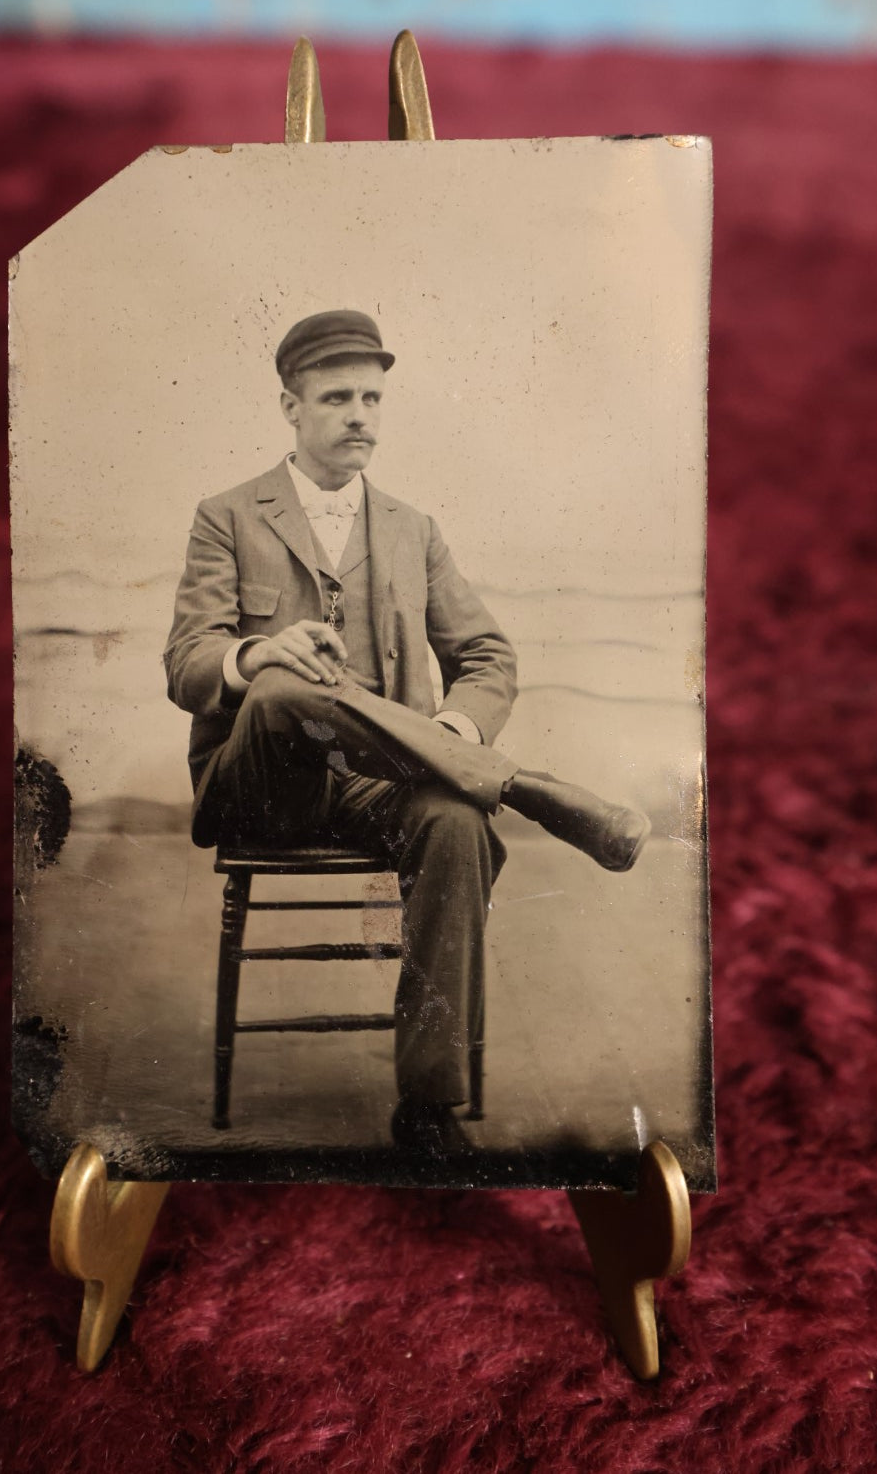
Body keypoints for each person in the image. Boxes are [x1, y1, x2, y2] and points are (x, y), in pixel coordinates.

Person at [165, 310, 650, 1156]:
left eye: (373, 398)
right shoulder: (227, 516)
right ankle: (515, 782)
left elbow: (488, 655)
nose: (360, 415)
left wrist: (455, 724)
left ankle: (426, 1108)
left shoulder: (411, 529)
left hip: (376, 787)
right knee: (281, 688)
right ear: (290, 406)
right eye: (337, 397)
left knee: (457, 817)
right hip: (265, 788)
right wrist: (257, 652)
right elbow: (186, 663)